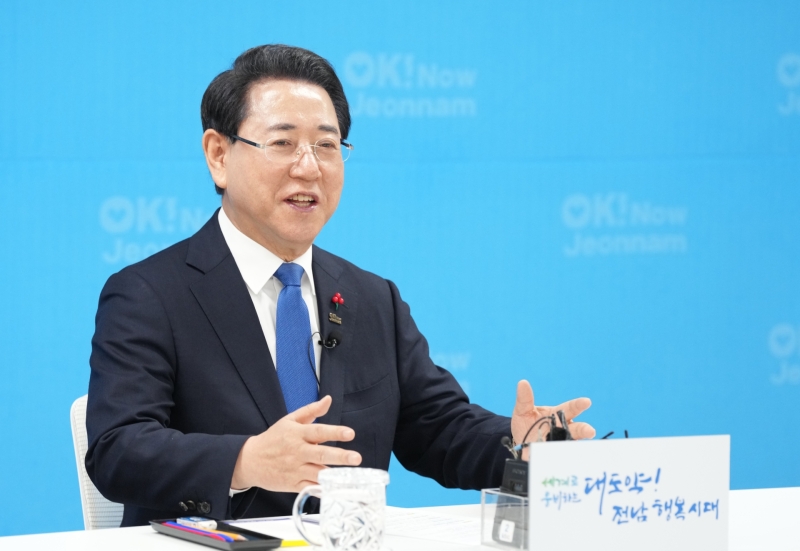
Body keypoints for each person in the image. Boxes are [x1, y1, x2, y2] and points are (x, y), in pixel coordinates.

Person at [86, 44, 595, 527]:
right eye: (283, 143)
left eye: (326, 146)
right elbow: (117, 448)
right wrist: (246, 459)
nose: (309, 167)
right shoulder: (150, 295)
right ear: (219, 155)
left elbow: (439, 428)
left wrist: (520, 446)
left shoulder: (372, 299)